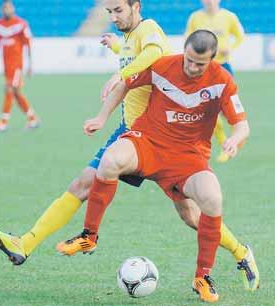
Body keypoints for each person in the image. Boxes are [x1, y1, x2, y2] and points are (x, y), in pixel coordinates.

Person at [0, 1, 257, 296]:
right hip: (138, 133)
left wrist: (121, 75)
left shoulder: (149, 30)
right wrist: (118, 50)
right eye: (109, 12)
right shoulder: (130, 38)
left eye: (118, 10)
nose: (113, 17)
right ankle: (31, 243)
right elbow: (143, 62)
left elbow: (153, 54)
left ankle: (239, 252)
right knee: (85, 182)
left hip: (150, 134)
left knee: (192, 214)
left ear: (135, 7)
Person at [60, 30, 255, 302]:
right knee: (111, 159)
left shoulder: (222, 81)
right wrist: (101, 117)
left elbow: (242, 125)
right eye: (189, 60)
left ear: (212, 59)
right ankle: (89, 236)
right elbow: (126, 83)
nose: (192, 67)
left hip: (188, 156)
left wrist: (234, 139)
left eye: (200, 63)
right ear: (184, 51)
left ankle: (202, 277)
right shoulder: (164, 65)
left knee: (210, 200)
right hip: (147, 143)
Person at [185, 0, 245, 163]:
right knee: (208, 109)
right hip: (203, 68)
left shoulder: (228, 17)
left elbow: (240, 36)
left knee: (228, 109)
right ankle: (224, 144)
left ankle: (236, 138)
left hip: (223, 67)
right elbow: (188, 39)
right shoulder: (195, 18)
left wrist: (230, 48)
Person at [0, 0, 39, 132]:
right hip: (7, 66)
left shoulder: (21, 24)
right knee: (15, 93)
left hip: (17, 65)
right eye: (4, 7)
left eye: (9, 7)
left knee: (9, 89)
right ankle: (32, 118)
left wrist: (30, 65)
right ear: (1, 9)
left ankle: (3, 122)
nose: (7, 9)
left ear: (13, 8)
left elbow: (28, 45)